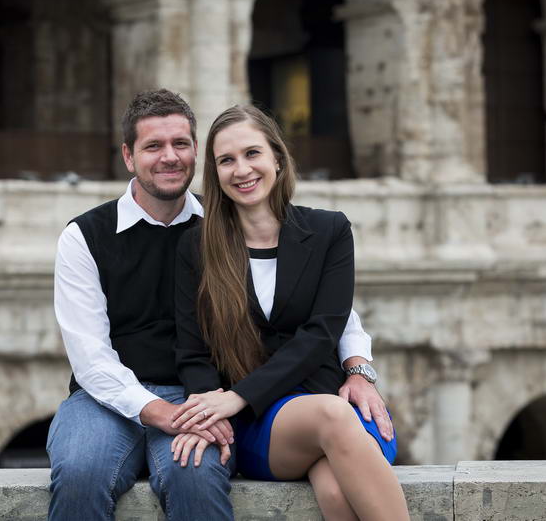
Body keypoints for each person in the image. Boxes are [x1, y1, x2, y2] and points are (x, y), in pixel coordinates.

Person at [47, 89, 391, 521]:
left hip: (205, 393)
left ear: (196, 153)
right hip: (104, 397)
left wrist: (357, 366)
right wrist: (161, 412)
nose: (169, 157)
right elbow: (90, 357)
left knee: (195, 474)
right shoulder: (84, 236)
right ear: (129, 156)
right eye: (153, 146)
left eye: (181, 144)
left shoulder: (227, 219)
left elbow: (328, 309)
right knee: (81, 471)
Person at [172, 105, 410, 520]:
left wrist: (358, 370)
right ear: (215, 174)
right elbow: (193, 351)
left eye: (252, 153)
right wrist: (218, 405)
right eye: (226, 160)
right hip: (256, 421)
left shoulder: (330, 231)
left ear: (277, 159)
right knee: (331, 417)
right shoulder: (196, 248)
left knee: (336, 494)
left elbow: (323, 332)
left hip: (334, 406)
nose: (241, 169)